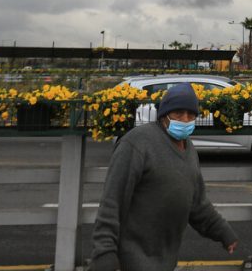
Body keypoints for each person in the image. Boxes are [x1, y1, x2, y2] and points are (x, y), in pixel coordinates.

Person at [89, 83, 239, 271]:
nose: (185, 120)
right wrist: (104, 252)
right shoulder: (136, 143)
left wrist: (223, 232)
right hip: (129, 260)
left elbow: (197, 204)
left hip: (164, 261)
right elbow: (112, 202)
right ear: (163, 115)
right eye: (178, 114)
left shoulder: (189, 149)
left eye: (190, 114)